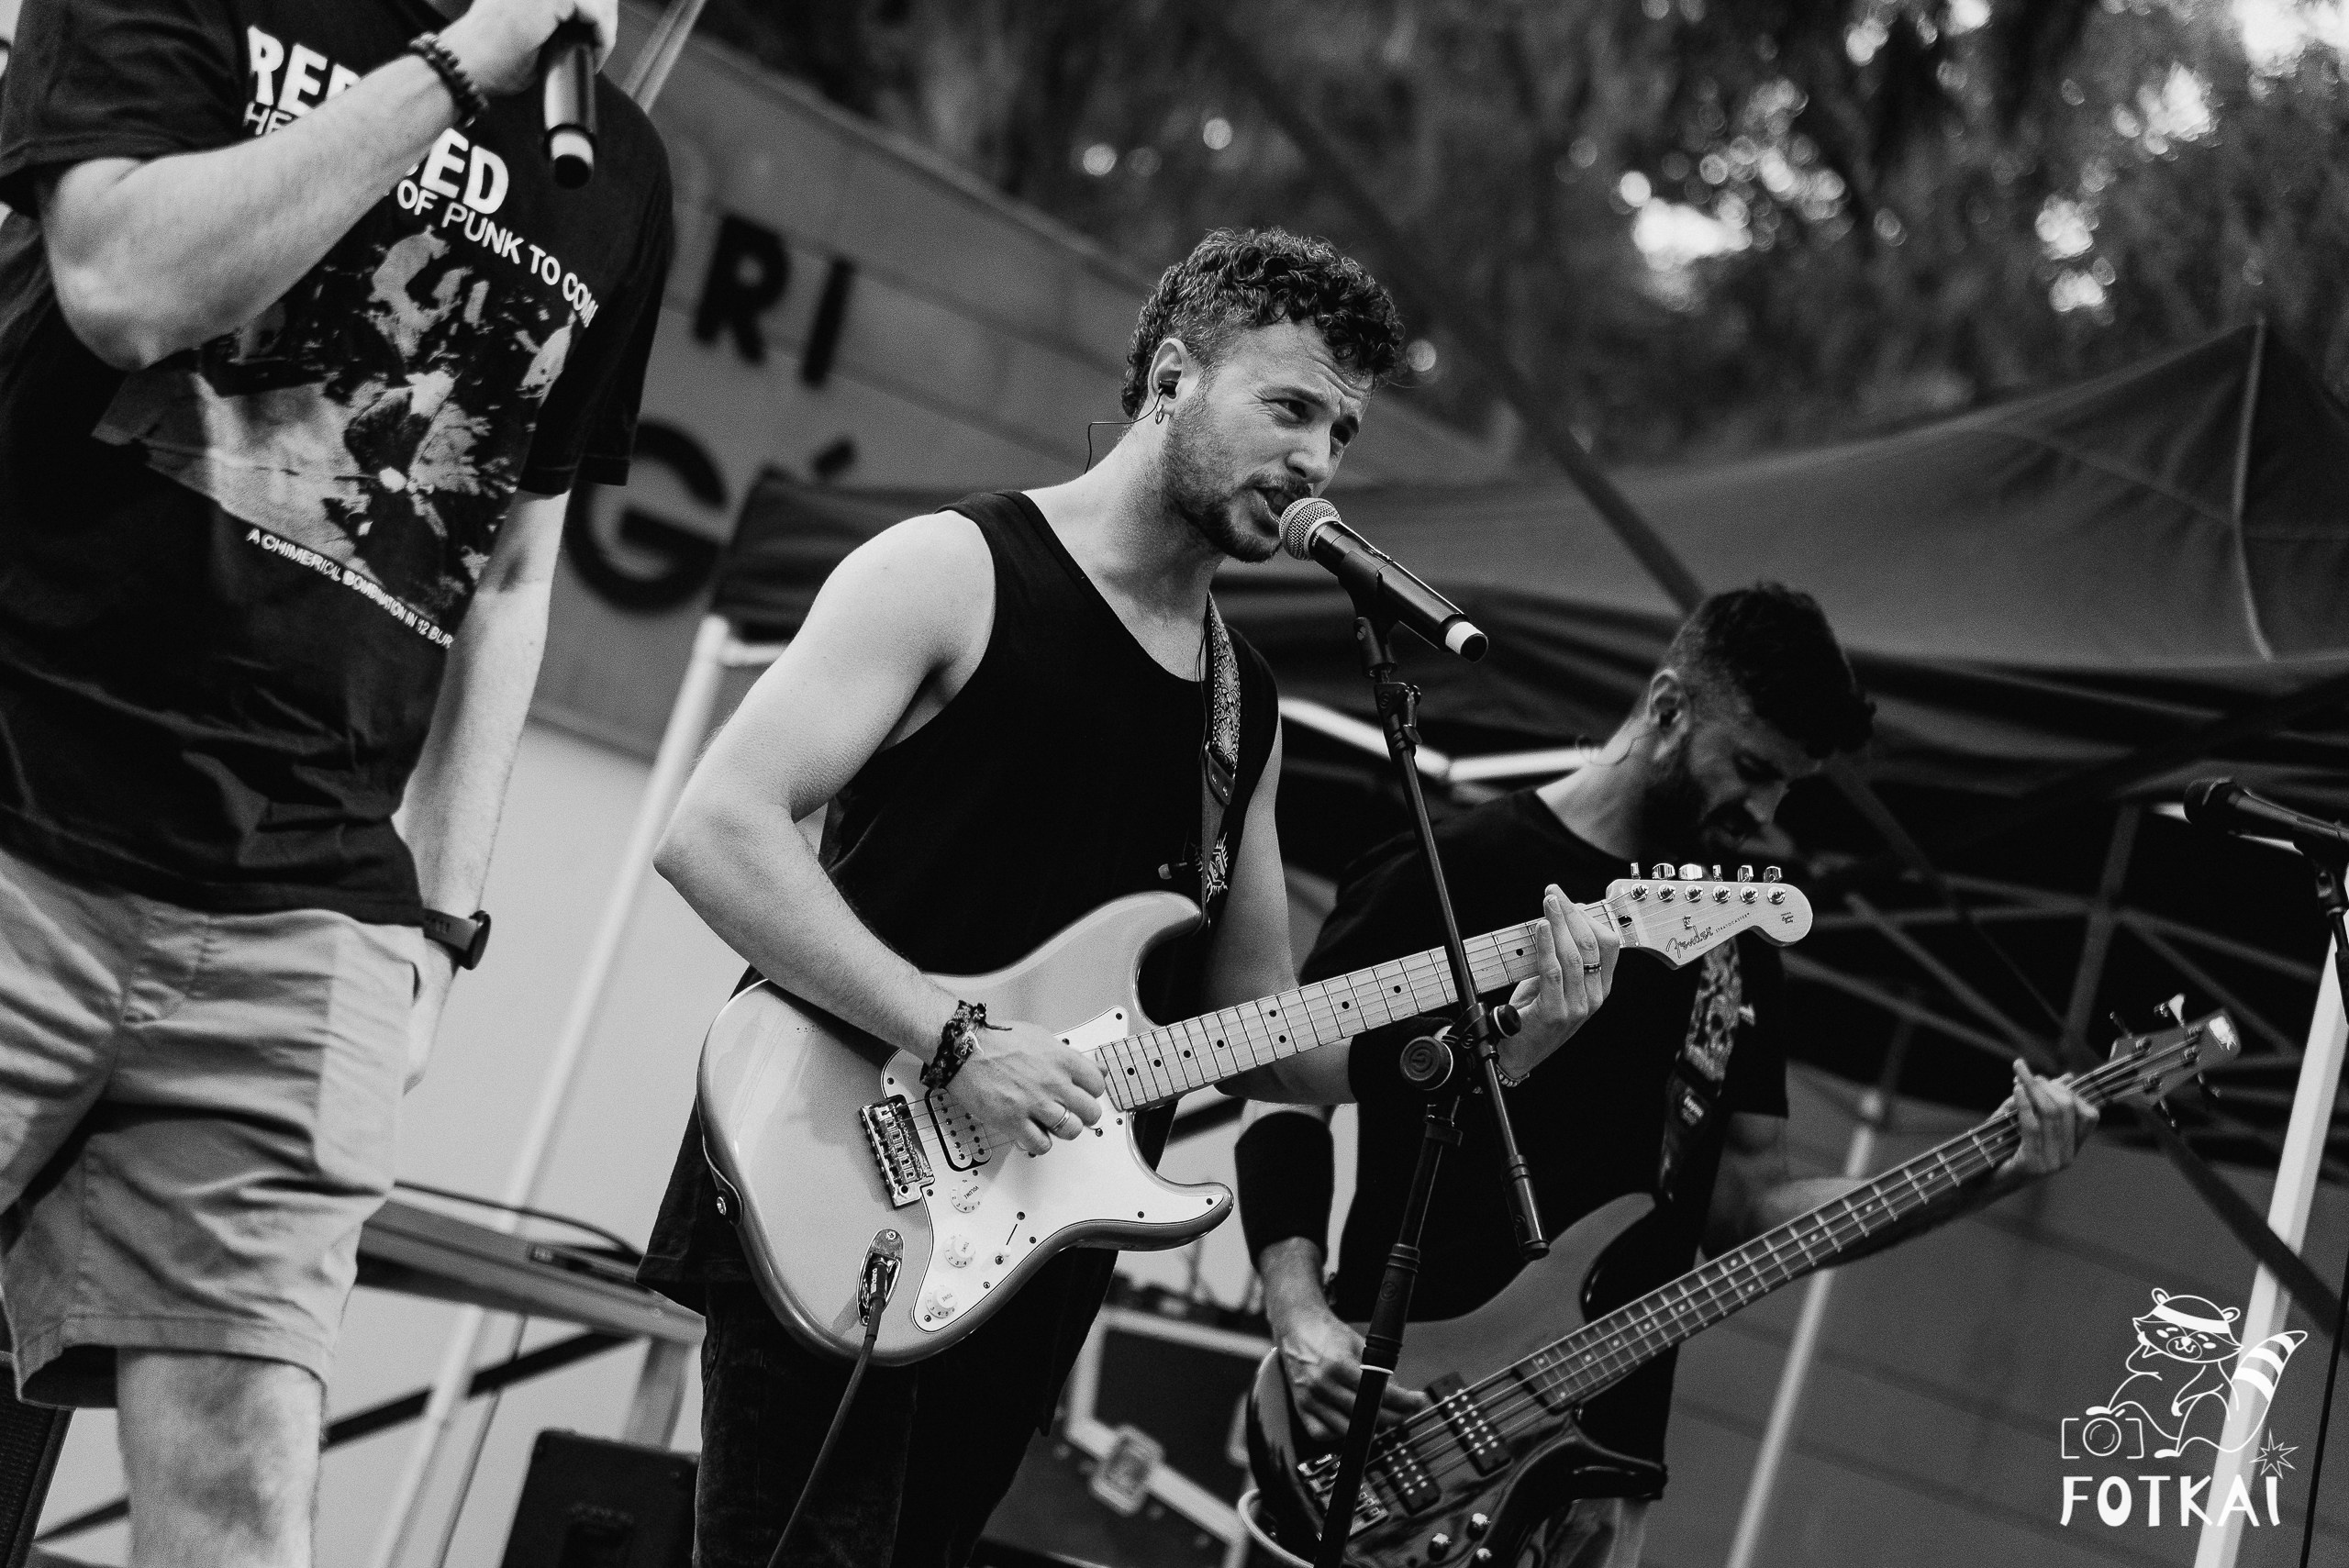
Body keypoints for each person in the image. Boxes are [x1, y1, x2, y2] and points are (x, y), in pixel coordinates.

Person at [637, 227, 1620, 1568]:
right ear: (1172, 377)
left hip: (1030, 1258)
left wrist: (1512, 1030)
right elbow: (716, 830)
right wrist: (956, 1038)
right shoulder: (955, 569)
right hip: (837, 1175)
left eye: (1342, 431)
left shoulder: (1243, 710)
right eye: (1289, 407)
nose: (1320, 461)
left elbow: (1277, 1039)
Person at [0, 0, 671, 1562]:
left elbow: (507, 571)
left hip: (308, 908)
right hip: (25, 803)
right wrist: (456, 72)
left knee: (242, 1487)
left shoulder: (616, 165)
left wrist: (439, 924)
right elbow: (120, 284)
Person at [1235, 584, 2099, 1568]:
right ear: (1665, 707)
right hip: (1402, 1422)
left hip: (1598, 1462)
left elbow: (1752, 1201)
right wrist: (1299, 1310)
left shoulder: (1735, 934)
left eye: (1788, 785)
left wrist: (1992, 1167)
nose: (1767, 809)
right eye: (1752, 768)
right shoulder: (1452, 868)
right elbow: (1283, 1092)